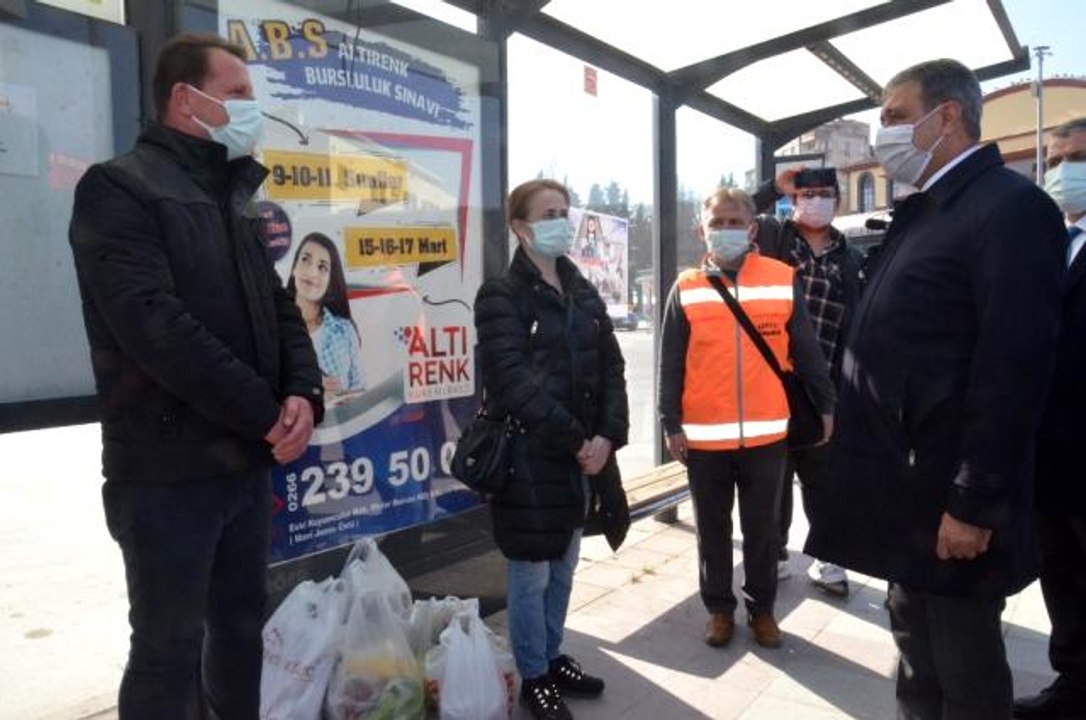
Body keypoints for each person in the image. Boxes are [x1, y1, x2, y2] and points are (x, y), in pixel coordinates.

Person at [67, 34, 323, 720]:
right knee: (167, 651)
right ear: (186, 99)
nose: (251, 109)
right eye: (237, 93)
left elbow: (278, 309)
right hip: (166, 476)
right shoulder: (118, 189)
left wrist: (303, 394)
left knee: (241, 631)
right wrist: (266, 414)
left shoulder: (229, 199)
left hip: (242, 464)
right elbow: (156, 329)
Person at [804, 59, 1066, 720]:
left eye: (894, 117)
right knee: (918, 662)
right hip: (908, 497)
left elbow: (1013, 369)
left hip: (950, 506)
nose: (881, 136)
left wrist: (974, 504)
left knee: (965, 674)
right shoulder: (928, 211)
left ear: (946, 116)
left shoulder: (1011, 210)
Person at [474, 179, 629, 720]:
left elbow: (612, 365)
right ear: (520, 227)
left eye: (564, 211)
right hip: (529, 459)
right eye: (548, 213)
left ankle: (551, 654)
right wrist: (578, 440)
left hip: (581, 457)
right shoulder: (501, 295)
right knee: (531, 571)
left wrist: (607, 437)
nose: (560, 220)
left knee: (564, 566)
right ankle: (533, 674)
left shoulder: (581, 289)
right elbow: (512, 381)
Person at [657, 187, 834, 650]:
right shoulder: (688, 286)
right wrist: (669, 422)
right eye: (718, 222)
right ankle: (719, 610)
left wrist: (826, 404)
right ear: (702, 230)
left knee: (763, 532)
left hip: (768, 434)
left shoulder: (780, 276)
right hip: (704, 438)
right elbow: (670, 360)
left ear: (753, 228)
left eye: (736, 221)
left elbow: (806, 348)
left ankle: (763, 611)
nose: (728, 230)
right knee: (712, 533)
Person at [752, 167, 864, 597]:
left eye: (823, 194)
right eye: (806, 194)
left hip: (824, 386)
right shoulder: (773, 238)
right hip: (774, 379)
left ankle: (828, 555)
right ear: (794, 199)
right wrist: (772, 189)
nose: (815, 201)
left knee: (823, 475)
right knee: (774, 475)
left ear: (837, 199)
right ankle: (777, 551)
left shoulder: (849, 256)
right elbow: (728, 215)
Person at [1013, 117, 1086, 720]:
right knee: (1062, 576)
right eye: (1057, 159)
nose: (1065, 171)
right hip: (1049, 457)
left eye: (1079, 157)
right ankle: (1074, 685)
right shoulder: (1049, 243)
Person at [287, 231, 366, 400]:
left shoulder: (344, 330)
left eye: (322, 267)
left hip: (340, 424)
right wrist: (308, 389)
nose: (312, 272)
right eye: (305, 260)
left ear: (331, 282)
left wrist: (341, 398)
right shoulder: (272, 327)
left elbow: (360, 389)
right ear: (294, 267)